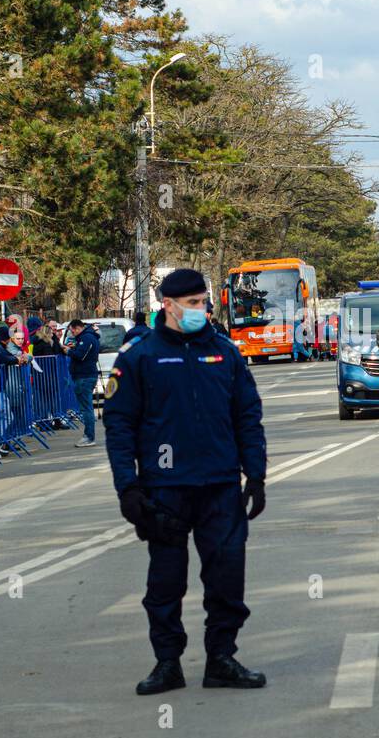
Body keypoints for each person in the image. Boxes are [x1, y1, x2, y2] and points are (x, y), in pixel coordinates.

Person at [102, 268, 267, 696]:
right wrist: (129, 488)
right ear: (169, 306)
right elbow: (120, 426)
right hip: (166, 490)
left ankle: (222, 659)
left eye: (204, 301)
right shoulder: (140, 356)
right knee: (165, 583)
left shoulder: (225, 353)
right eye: (193, 303)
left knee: (227, 578)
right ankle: (167, 662)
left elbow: (247, 415)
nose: (202, 309)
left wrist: (257, 474)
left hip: (220, 486)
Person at [63, 318, 100, 447]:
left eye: (72, 331)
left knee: (86, 408)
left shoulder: (87, 338)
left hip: (85, 376)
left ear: (77, 328)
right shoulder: (86, 337)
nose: (72, 334)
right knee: (86, 408)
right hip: (84, 375)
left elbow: (81, 355)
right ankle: (88, 435)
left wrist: (69, 351)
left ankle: (89, 437)